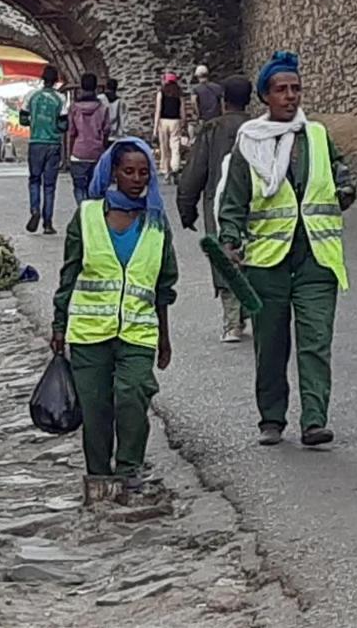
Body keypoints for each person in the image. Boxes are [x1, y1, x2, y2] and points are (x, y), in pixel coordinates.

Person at [219, 51, 353, 448]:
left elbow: (339, 170)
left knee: (315, 341)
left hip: (316, 258)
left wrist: (345, 188)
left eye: (296, 89)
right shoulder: (249, 143)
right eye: (282, 90)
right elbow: (234, 199)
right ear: (266, 96)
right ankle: (271, 418)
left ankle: (314, 420)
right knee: (271, 344)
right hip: (267, 263)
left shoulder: (317, 136)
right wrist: (230, 239)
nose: (291, 96)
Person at [50, 138, 177, 488]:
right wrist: (59, 325)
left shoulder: (156, 223)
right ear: (113, 174)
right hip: (90, 334)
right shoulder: (88, 216)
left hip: (138, 333)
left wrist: (164, 339)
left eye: (144, 172)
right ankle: (99, 476)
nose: (137, 179)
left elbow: (163, 286)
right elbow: (69, 274)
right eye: (128, 171)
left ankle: (128, 469)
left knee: (133, 395)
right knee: (95, 409)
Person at [177, 75, 253, 342]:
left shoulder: (212, 129)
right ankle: (251, 310)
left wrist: (187, 207)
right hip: (256, 202)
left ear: (223, 100)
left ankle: (232, 321)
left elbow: (195, 170)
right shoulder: (258, 128)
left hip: (219, 201)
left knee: (224, 255)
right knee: (252, 252)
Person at [22, 64, 66, 234]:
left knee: (34, 180)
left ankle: (35, 210)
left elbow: (23, 119)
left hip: (36, 142)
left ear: (42, 79)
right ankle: (47, 223)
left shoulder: (31, 96)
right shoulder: (60, 99)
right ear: (55, 81)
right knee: (49, 185)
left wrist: (35, 122)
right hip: (53, 143)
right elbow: (63, 124)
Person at [68, 72, 111, 204]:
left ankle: (82, 211)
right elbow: (107, 131)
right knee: (95, 188)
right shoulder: (103, 108)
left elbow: (71, 132)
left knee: (79, 187)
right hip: (96, 152)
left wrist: (69, 153)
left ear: (81, 87)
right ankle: (93, 214)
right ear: (95, 88)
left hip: (78, 152)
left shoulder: (74, 108)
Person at [154, 72, 186, 183]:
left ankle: (166, 172)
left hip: (163, 121)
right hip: (175, 121)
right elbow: (182, 109)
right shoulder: (179, 93)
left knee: (164, 148)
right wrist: (183, 122)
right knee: (175, 146)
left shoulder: (161, 92)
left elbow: (158, 110)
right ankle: (175, 167)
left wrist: (155, 128)